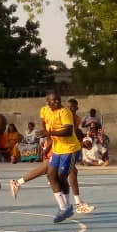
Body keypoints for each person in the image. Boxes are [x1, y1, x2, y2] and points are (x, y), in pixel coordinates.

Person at [41, 92, 80, 223]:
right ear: (48, 102)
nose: (57, 102)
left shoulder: (65, 112)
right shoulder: (45, 110)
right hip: (57, 149)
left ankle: (68, 205)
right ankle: (64, 207)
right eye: (54, 100)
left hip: (70, 149)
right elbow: (43, 121)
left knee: (61, 177)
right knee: (51, 176)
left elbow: (68, 131)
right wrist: (47, 137)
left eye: (58, 99)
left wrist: (50, 132)